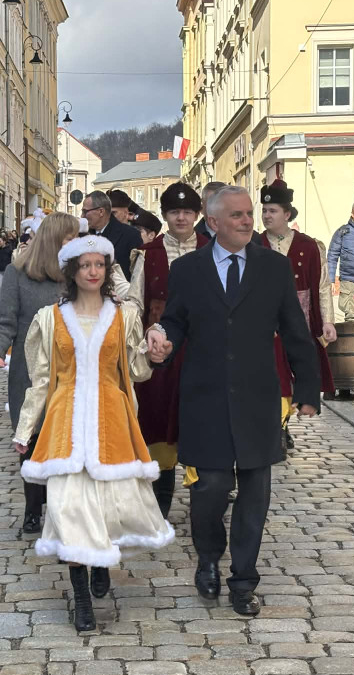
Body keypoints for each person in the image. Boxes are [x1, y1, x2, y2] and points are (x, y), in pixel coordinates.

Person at [146, 186, 321, 616]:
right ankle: (208, 557)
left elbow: (295, 329)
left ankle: (244, 580)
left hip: (258, 397)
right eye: (238, 215)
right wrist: (164, 343)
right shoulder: (187, 270)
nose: (248, 221)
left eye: (250, 214)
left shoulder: (273, 268)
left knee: (255, 494)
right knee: (211, 488)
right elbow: (175, 320)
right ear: (215, 223)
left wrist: (307, 389)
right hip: (204, 397)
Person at [15, 234, 173, 632]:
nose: (92, 271)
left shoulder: (124, 317)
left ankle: (101, 560)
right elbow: (40, 379)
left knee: (108, 507)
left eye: (99, 265)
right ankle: (81, 597)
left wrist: (152, 354)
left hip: (111, 422)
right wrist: (25, 428)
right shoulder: (49, 319)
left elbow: (135, 372)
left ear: (107, 270)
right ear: (71, 270)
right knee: (68, 508)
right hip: (64, 424)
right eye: (84, 265)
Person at [0, 212, 78, 534]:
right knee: (32, 439)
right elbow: (4, 319)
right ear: (53, 240)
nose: (75, 244)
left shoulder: (82, 272)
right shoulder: (18, 273)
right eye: (69, 238)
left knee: (67, 439)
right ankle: (32, 507)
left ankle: (62, 506)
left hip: (73, 371)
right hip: (32, 371)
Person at [128, 183, 209, 518]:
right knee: (160, 422)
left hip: (203, 349)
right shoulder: (149, 254)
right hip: (160, 354)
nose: (181, 217)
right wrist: (140, 343)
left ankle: (207, 496)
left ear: (197, 215)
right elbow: (135, 303)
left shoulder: (213, 249)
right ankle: (160, 500)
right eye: (175, 212)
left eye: (187, 212)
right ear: (165, 215)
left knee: (203, 420)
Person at [259, 180, 335, 452]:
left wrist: (327, 321)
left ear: (287, 214)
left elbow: (321, 285)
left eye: (273, 211)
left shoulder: (310, 246)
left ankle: (285, 421)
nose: (267, 215)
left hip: (300, 320)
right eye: (264, 210)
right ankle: (279, 426)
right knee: (273, 375)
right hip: (266, 324)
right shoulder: (254, 244)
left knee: (296, 374)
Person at [81, 190, 141, 280]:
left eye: (85, 212)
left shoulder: (130, 235)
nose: (82, 216)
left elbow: (137, 274)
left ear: (101, 212)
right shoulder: (83, 236)